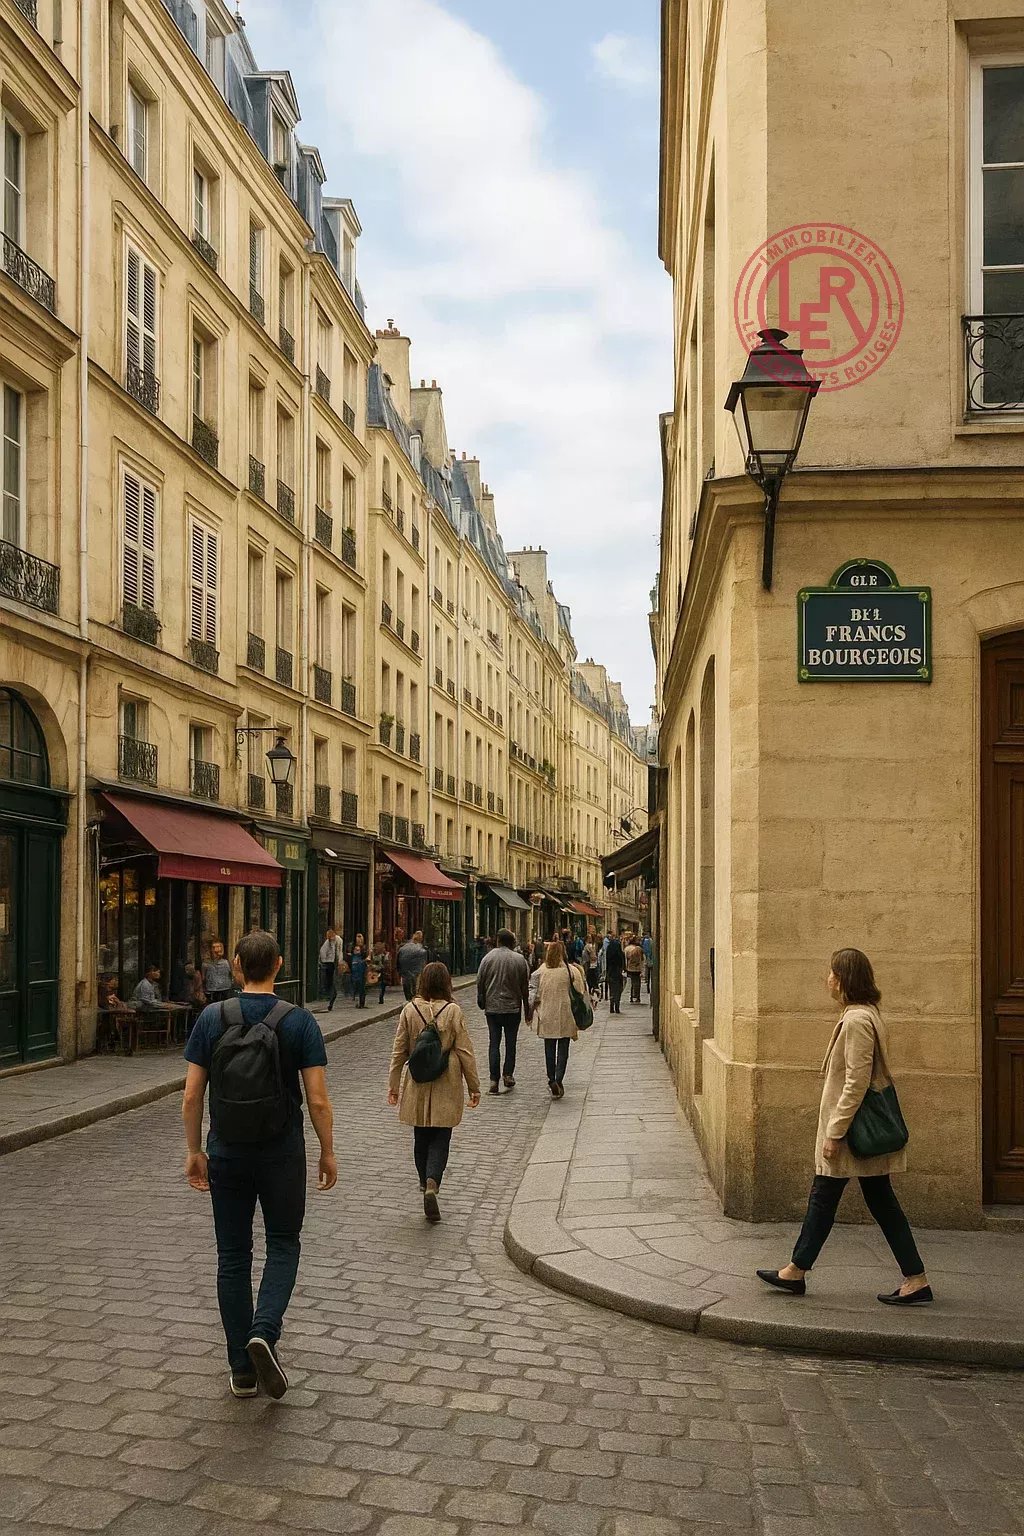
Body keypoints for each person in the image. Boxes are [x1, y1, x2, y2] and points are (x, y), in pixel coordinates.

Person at [182, 930, 338, 1401]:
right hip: (281, 1151)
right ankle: (263, 1333)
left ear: (235, 966)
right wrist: (327, 1150)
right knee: (284, 1244)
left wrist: (194, 1151)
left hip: (226, 1150)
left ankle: (242, 1371)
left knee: (232, 1257)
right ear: (279, 965)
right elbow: (317, 1099)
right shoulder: (299, 1021)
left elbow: (191, 1095)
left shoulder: (212, 1018)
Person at [756, 948, 931, 1307]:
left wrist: (835, 1132)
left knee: (832, 1197)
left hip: (852, 1133)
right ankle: (799, 1270)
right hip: (852, 1131)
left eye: (833, 973)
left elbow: (857, 1081)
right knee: (865, 1200)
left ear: (846, 980)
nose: (828, 979)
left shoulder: (856, 1021)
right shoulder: (864, 1015)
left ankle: (799, 1271)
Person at [387, 961, 481, 1221]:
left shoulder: (410, 1009)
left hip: (418, 1078)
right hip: (446, 1077)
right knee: (442, 1136)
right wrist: (474, 1086)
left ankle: (422, 1181)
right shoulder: (453, 1011)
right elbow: (464, 1051)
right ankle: (432, 1183)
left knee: (421, 1134)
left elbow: (399, 1050)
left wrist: (393, 1085)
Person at [477, 928, 531, 1094]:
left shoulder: (488, 958)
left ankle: (494, 1080)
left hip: (492, 1008)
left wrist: (482, 1000)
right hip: (512, 1008)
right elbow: (525, 988)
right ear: (512, 942)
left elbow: (480, 981)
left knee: (494, 1043)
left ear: (498, 941)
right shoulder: (519, 960)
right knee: (510, 1043)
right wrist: (527, 1009)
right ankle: (508, 1074)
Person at [531, 940, 586, 1098]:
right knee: (563, 1049)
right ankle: (559, 1079)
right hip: (565, 1013)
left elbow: (534, 990)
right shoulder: (571, 971)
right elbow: (580, 991)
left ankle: (551, 1078)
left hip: (547, 1014)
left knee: (549, 1048)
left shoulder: (542, 971)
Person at [397, 930, 428, 1002]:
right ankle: (414, 998)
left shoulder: (404, 947)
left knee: (407, 983)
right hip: (416, 970)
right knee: (415, 984)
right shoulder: (421, 949)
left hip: (405, 969)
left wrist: (399, 970)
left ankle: (408, 999)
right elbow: (423, 962)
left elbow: (399, 959)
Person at [203, 940, 235, 1004]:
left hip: (226, 990)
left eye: (219, 947)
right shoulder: (206, 964)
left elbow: (233, 974)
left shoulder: (227, 962)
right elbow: (203, 978)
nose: (218, 949)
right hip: (212, 991)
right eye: (214, 947)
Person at [318, 928, 342, 1011]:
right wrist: (325, 960)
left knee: (332, 982)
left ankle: (332, 996)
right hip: (329, 964)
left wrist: (339, 961)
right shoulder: (327, 943)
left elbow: (339, 951)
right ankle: (331, 996)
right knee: (330, 982)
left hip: (334, 964)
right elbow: (322, 952)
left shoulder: (338, 940)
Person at [605, 935, 625, 1014]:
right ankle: (617, 1006)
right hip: (618, 973)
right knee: (618, 990)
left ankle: (611, 1006)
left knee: (612, 990)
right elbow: (623, 965)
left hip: (610, 973)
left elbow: (607, 963)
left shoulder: (608, 952)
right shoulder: (620, 954)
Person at [625, 935, 644, 1004]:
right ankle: (637, 996)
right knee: (637, 982)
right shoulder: (639, 949)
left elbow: (626, 958)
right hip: (637, 968)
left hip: (630, 968)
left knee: (632, 982)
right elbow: (642, 959)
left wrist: (626, 968)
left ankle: (631, 996)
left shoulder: (627, 948)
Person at [370, 936, 389, 1005]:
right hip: (375, 971)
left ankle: (381, 997)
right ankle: (380, 997)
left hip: (380, 971)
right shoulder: (372, 954)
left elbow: (384, 964)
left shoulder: (384, 955)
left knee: (382, 985)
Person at [350, 941, 368, 1008]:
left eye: (358, 950)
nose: (356, 951)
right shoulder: (352, 958)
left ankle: (361, 1003)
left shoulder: (360, 958)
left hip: (361, 976)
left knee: (362, 991)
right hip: (354, 976)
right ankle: (358, 1002)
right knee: (355, 991)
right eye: (355, 950)